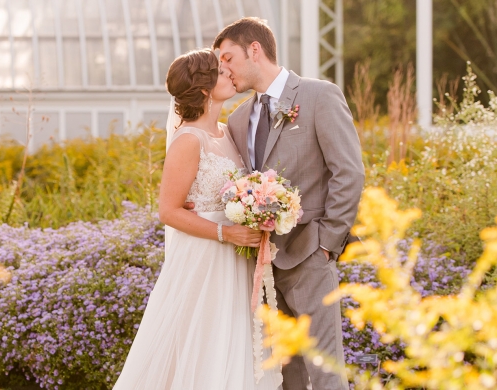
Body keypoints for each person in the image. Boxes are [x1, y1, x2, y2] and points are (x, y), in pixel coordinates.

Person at [113, 49, 282, 390]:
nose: (230, 75)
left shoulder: (226, 131)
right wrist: (226, 232)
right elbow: (169, 210)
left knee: (233, 338)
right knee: (203, 340)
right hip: (206, 258)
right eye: (221, 73)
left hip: (236, 258)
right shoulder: (189, 139)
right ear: (204, 89)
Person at [213, 17, 365, 390]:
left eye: (228, 58)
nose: (224, 70)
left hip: (311, 257)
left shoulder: (318, 95)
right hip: (260, 268)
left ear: (254, 49)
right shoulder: (236, 120)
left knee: (327, 373)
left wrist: (327, 243)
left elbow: (349, 172)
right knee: (285, 377)